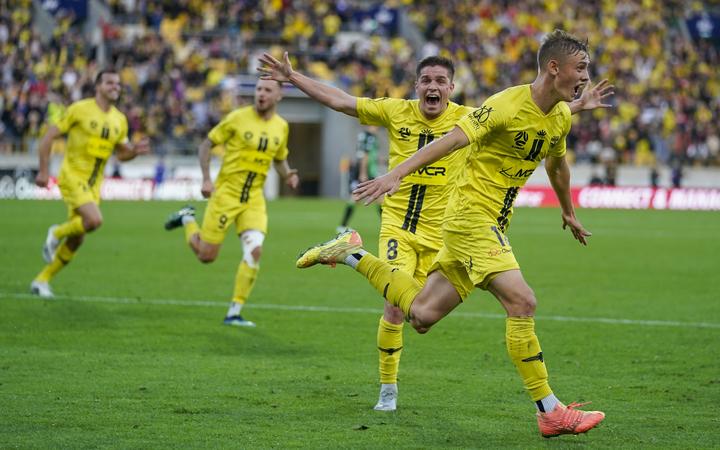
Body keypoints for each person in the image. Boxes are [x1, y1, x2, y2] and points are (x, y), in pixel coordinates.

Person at [295, 30, 609, 438]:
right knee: (522, 300)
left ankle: (350, 254)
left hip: (490, 223)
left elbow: (557, 165)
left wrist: (568, 210)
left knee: (422, 315)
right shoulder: (503, 105)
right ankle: (550, 410)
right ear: (554, 68)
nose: (586, 75)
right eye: (581, 67)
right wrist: (394, 174)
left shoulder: (561, 115)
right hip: (469, 220)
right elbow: (451, 139)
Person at [164, 79, 300, 327]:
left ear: (279, 95)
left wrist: (288, 174)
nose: (261, 94)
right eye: (258, 89)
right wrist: (206, 179)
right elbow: (207, 144)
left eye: (267, 90)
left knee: (255, 250)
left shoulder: (282, 127)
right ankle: (187, 218)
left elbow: (279, 159)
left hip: (254, 199)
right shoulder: (237, 118)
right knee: (206, 256)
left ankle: (234, 312)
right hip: (226, 194)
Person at [31, 69, 150, 298]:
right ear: (98, 86)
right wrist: (44, 171)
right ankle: (55, 233)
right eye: (109, 83)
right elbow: (48, 137)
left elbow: (121, 154)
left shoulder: (119, 120)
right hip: (73, 176)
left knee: (78, 238)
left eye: (117, 84)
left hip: (95, 185)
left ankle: (42, 280)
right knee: (94, 220)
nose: (115, 87)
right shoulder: (80, 109)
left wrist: (134, 152)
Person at [337, 125, 381, 233]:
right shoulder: (369, 137)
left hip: (366, 171)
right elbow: (365, 155)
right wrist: (363, 173)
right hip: (366, 172)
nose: (378, 127)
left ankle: (342, 225)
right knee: (378, 198)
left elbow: (368, 155)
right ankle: (387, 227)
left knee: (357, 198)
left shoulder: (364, 135)